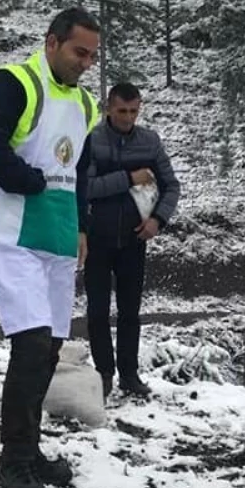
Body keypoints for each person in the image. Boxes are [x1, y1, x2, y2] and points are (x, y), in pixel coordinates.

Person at [0, 7, 101, 488]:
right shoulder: (16, 82)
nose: (86, 63)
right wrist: (29, 181)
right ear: (52, 43)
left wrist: (83, 227)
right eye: (78, 52)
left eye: (92, 55)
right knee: (29, 344)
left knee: (48, 350)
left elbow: (82, 172)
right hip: (12, 234)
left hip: (60, 237)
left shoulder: (87, 105)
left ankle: (31, 449)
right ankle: (15, 462)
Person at [84, 82, 180, 398]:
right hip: (97, 238)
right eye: (122, 111)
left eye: (134, 111)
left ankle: (129, 374)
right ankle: (104, 374)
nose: (128, 118)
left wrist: (157, 220)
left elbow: (171, 187)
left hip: (134, 240)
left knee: (130, 312)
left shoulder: (149, 142)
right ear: (108, 108)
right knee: (97, 312)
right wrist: (127, 178)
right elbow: (86, 188)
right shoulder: (93, 139)